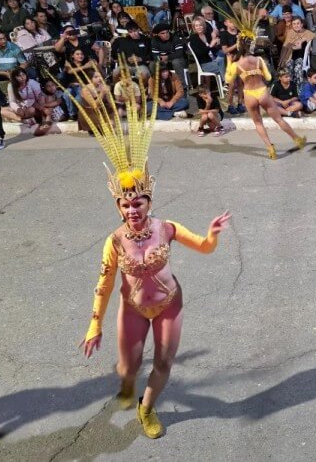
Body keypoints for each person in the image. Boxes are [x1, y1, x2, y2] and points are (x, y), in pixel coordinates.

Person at [75, 74, 231, 438]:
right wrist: (94, 324)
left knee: (163, 362)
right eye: (126, 204)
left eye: (139, 202)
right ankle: (128, 385)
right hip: (131, 308)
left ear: (149, 200)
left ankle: (147, 409)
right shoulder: (114, 241)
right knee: (127, 369)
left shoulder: (168, 228)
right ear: (119, 206)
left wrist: (211, 235)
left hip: (169, 305)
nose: (133, 209)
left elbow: (205, 248)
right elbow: (104, 283)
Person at [222, 4, 307, 160]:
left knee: (258, 123)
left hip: (249, 95)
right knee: (278, 119)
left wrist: (229, 62)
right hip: (261, 91)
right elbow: (268, 78)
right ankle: (297, 139)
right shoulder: (258, 60)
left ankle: (270, 148)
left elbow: (228, 79)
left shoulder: (236, 64)